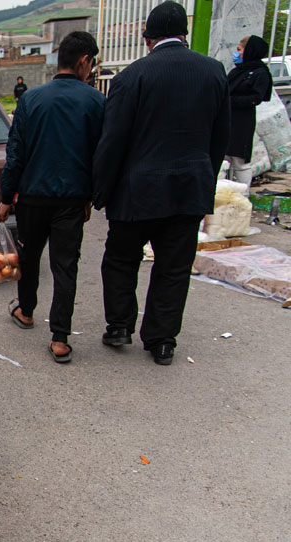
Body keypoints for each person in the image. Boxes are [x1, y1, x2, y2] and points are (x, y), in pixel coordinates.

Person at [92, 1, 230, 366]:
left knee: (121, 260)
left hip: (136, 193)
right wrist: (204, 177)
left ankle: (120, 326)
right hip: (189, 191)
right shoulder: (214, 72)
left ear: (147, 38)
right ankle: (162, 340)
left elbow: (113, 140)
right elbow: (220, 138)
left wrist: (101, 190)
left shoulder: (131, 77)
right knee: (173, 266)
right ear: (184, 35)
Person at [0, 32, 104, 364]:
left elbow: (15, 154)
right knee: (65, 266)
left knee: (29, 258)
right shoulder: (96, 102)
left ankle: (26, 311)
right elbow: (100, 155)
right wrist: (91, 197)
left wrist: (5, 197)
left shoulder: (30, 100)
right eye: (93, 63)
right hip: (72, 200)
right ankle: (60, 338)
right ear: (84, 61)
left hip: (32, 198)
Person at [225, 35, 273, 185]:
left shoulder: (260, 73)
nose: (236, 53)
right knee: (223, 159)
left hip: (242, 121)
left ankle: (243, 196)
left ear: (250, 51)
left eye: (239, 50)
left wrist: (229, 101)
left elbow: (256, 98)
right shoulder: (237, 71)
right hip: (227, 118)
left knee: (240, 161)